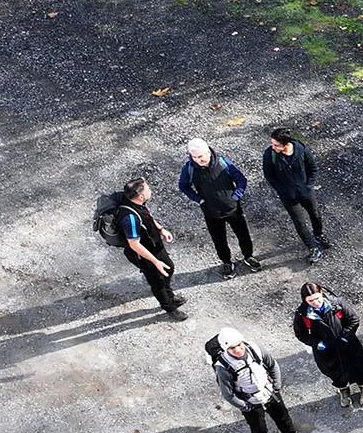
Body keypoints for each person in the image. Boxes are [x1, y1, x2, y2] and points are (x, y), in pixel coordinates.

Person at [210, 326, 310, 433]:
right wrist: (245, 406)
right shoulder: (223, 367)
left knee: (284, 419)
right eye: (232, 348)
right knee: (259, 430)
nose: (238, 350)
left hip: (269, 392)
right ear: (226, 349)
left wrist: (276, 386)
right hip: (250, 401)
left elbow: (272, 365)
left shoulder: (255, 349)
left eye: (239, 345)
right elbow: (228, 394)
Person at [176, 137, 259, 277]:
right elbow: (183, 186)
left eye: (200, 156)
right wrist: (198, 199)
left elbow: (241, 179)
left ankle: (248, 257)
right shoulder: (189, 168)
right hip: (211, 212)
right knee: (218, 239)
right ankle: (226, 262)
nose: (197, 160)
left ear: (208, 152)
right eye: (194, 157)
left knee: (243, 234)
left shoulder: (222, 163)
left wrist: (236, 195)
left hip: (232, 208)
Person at [109, 177, 188, 319]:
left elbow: (148, 217)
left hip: (155, 246)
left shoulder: (137, 203)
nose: (150, 190)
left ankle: (169, 295)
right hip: (144, 255)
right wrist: (155, 262)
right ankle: (169, 307)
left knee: (169, 268)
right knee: (157, 281)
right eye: (148, 189)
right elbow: (134, 244)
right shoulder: (129, 218)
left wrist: (161, 229)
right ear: (140, 196)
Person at [292, 281, 363, 409]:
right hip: (325, 352)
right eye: (311, 301)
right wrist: (316, 343)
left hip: (348, 346)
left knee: (358, 367)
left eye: (317, 298)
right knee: (334, 372)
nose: (316, 303)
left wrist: (345, 336)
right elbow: (300, 334)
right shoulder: (302, 314)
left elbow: (354, 320)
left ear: (321, 293)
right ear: (304, 300)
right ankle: (343, 390)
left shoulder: (337, 304)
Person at [261, 128, 328, 260]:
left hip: (306, 192)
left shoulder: (301, 150)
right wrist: (282, 191)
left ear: (286, 145)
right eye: (272, 144)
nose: (272, 147)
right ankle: (312, 248)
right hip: (289, 196)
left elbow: (313, 168)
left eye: (276, 145)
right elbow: (269, 176)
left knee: (315, 214)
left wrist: (308, 187)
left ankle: (319, 235)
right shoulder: (270, 155)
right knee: (299, 222)